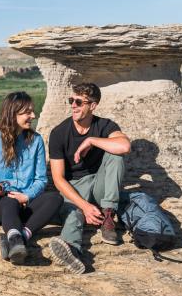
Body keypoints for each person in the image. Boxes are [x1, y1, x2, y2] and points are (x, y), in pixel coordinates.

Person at [48, 83, 131, 274]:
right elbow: (58, 179)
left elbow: (124, 146)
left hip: (99, 185)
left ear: (92, 106)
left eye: (79, 101)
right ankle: (72, 250)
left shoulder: (104, 125)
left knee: (115, 155)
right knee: (74, 213)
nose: (73, 105)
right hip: (74, 186)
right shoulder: (59, 133)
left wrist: (91, 140)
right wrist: (84, 206)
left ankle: (108, 216)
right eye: (71, 101)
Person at [0, 91, 63, 265]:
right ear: (12, 113)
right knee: (9, 203)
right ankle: (16, 240)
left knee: (55, 199)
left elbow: (40, 180)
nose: (33, 116)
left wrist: (27, 196)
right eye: (27, 112)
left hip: (28, 203)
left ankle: (19, 237)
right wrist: (5, 193)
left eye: (32, 111)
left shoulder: (36, 141)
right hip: (2, 203)